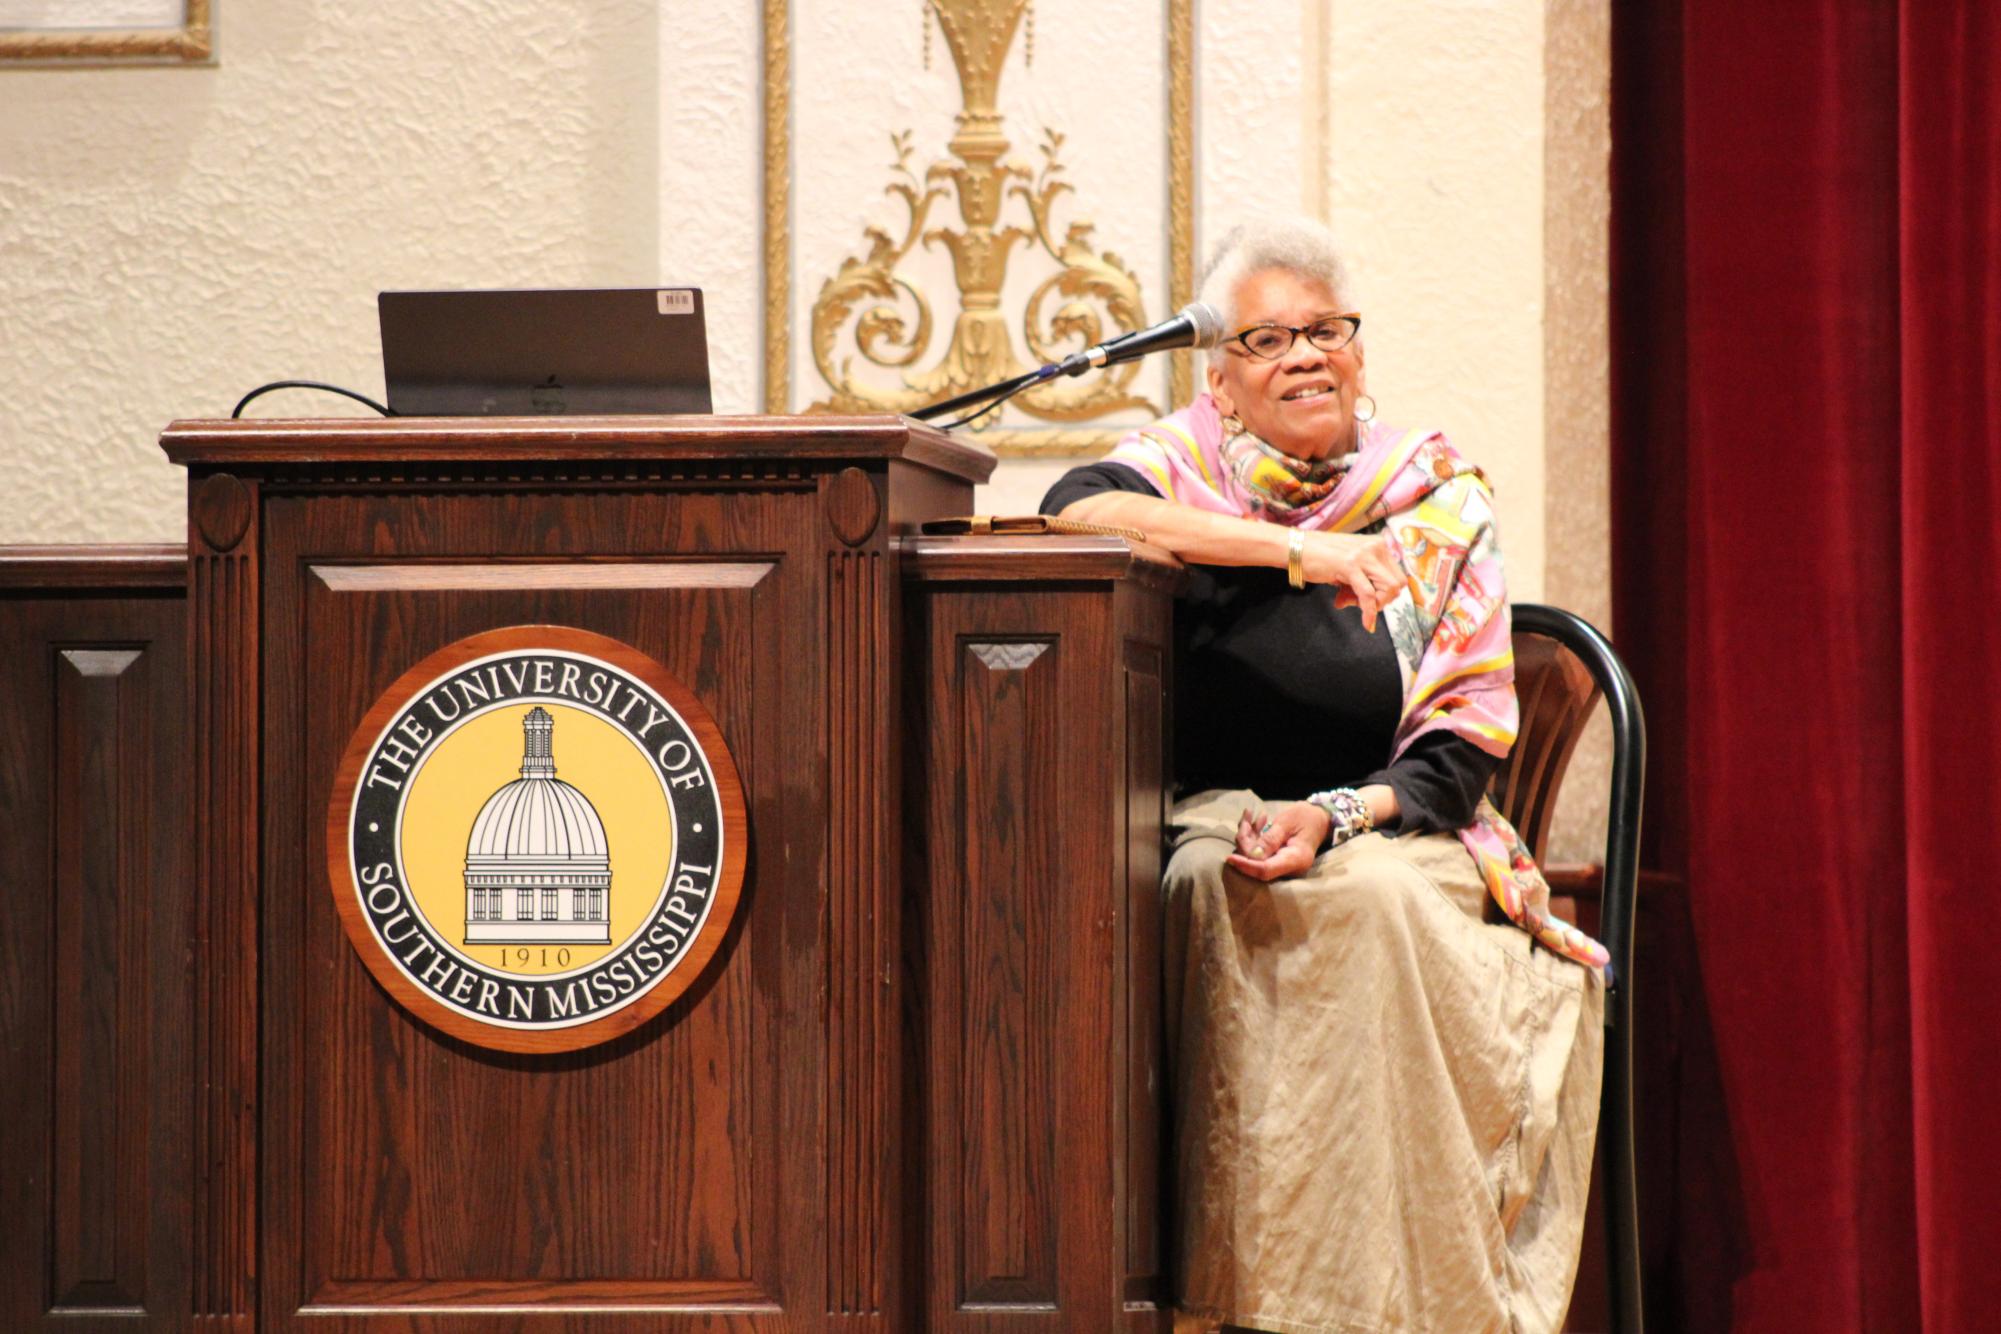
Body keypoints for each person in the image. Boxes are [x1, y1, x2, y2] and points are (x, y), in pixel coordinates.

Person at [1040, 218, 1607, 1334]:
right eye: (1266, 337)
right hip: (1212, 819)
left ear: (1357, 349)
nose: (1305, 354)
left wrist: (1336, 812)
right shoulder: (1180, 472)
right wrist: (1302, 552)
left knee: (1378, 904)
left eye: (1325, 331)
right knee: (1213, 889)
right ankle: (1240, 1298)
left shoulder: (1434, 498)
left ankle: (1403, 1297)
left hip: (1399, 820)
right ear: (1221, 376)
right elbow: (1072, 509)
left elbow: (1461, 744)